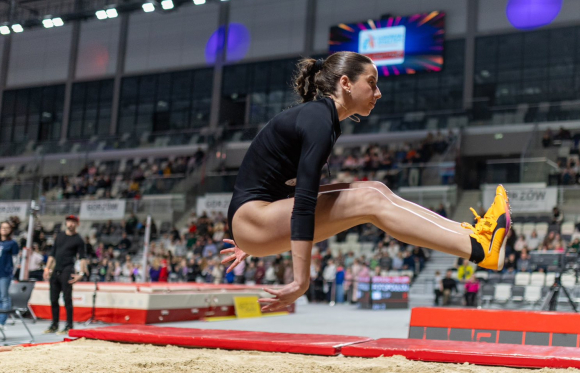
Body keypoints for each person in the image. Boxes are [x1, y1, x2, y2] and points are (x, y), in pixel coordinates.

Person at [219, 53, 511, 312]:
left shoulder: (324, 119)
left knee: (375, 189)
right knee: (369, 200)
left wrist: (256, 238)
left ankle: (477, 238)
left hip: (259, 217)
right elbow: (304, 201)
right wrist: (300, 279)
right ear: (345, 82)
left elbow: (273, 181)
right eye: (372, 83)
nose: (378, 92)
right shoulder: (319, 120)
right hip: (255, 218)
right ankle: (479, 249)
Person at [43, 215, 87, 334]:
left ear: (77, 224)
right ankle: (54, 324)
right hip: (55, 270)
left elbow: (82, 258)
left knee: (67, 299)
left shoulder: (79, 240)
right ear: (66, 223)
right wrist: (47, 269)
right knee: (53, 299)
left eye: (73, 222)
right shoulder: (60, 236)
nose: (71, 224)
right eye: (69, 221)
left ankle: (69, 325)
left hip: (67, 270)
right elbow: (52, 254)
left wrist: (81, 273)